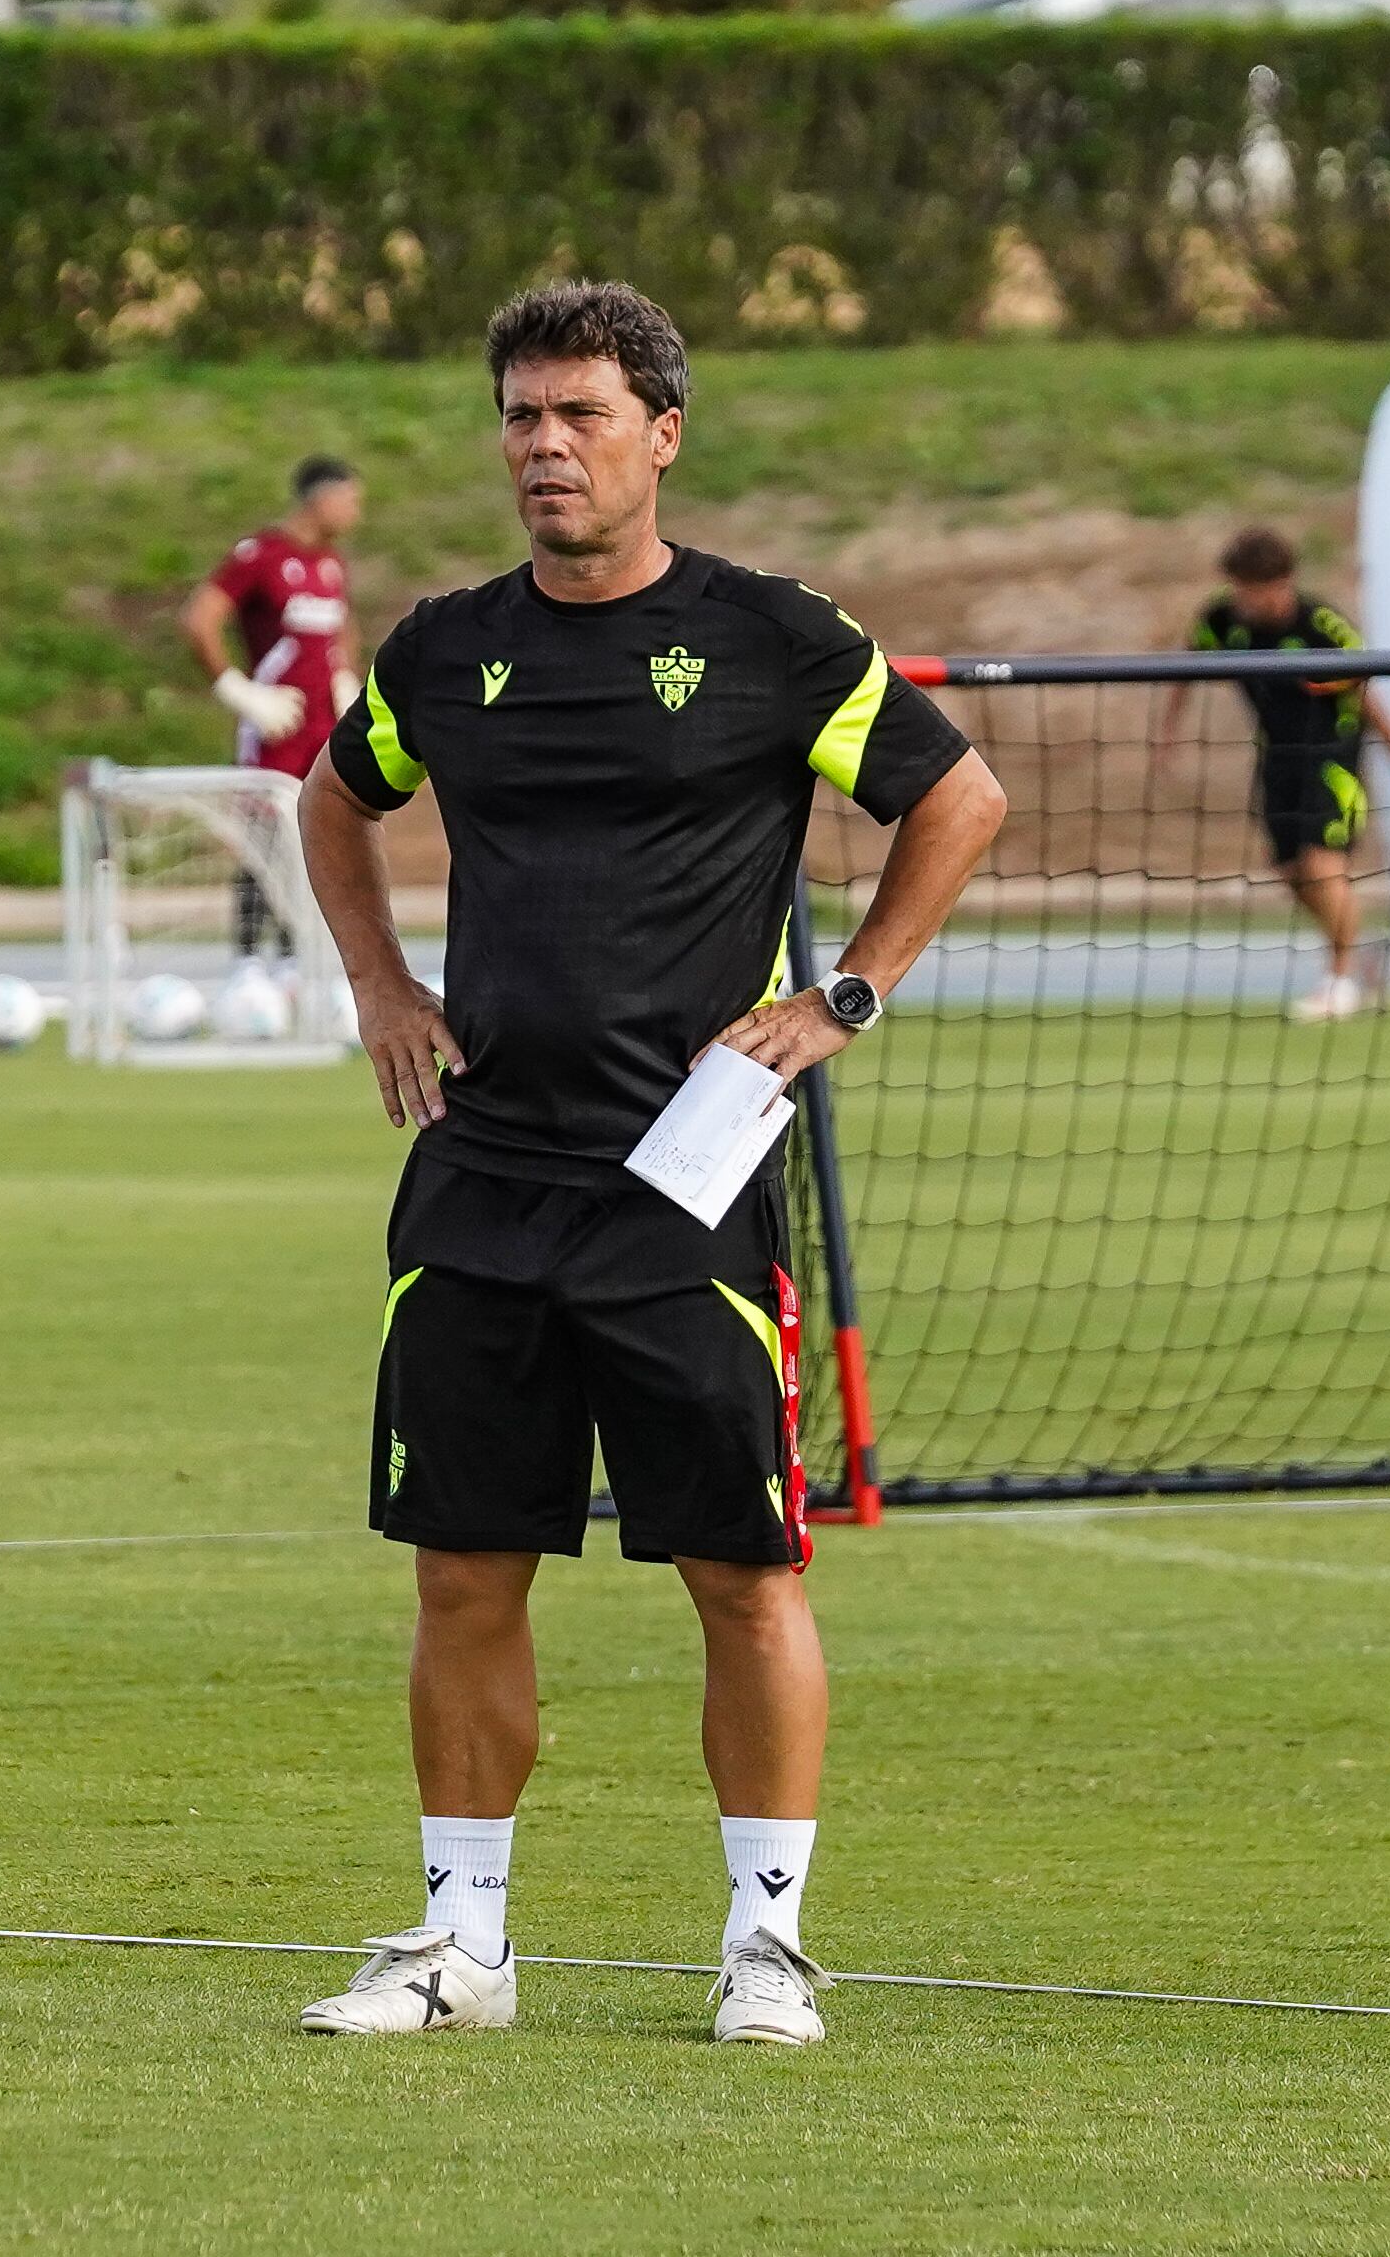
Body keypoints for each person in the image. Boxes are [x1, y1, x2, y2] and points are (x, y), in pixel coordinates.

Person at [293, 282, 1008, 2049]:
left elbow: (962, 797)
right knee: (461, 1567)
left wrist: (844, 994)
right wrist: (383, 978)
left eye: (582, 416)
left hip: (687, 1180)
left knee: (741, 1573)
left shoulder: (771, 639)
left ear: (662, 435)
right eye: (522, 416)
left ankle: (766, 1947)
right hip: (479, 1174)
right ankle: (465, 1949)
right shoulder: (446, 652)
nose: (546, 447)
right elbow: (331, 795)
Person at [1151, 526, 1390, 1023]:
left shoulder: (1322, 627)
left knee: (1322, 865)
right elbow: (1186, 664)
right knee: (1290, 872)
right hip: (1276, 757)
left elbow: (1368, 696)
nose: (1242, 598)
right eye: (1237, 586)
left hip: (1330, 760)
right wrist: (1169, 731)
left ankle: (1340, 983)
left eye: (1251, 587)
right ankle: (1362, 950)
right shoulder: (1221, 620)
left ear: (1282, 582)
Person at [179, 454, 364, 977]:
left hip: (323, 728)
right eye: (350, 500)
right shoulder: (261, 556)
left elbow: (341, 626)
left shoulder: (330, 563)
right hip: (275, 726)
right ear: (321, 499)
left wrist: (344, 676)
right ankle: (247, 960)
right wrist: (237, 689)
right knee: (264, 838)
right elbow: (200, 618)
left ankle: (294, 956)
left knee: (320, 838)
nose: (354, 513)